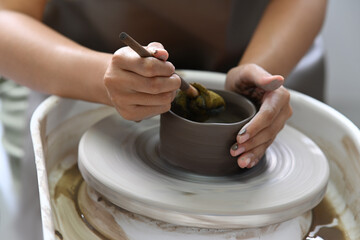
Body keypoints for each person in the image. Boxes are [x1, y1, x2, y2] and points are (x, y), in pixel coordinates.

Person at [0, 0, 327, 239]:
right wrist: (102, 77)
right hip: (83, 61)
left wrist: (256, 81)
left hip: (262, 50)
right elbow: (7, 17)